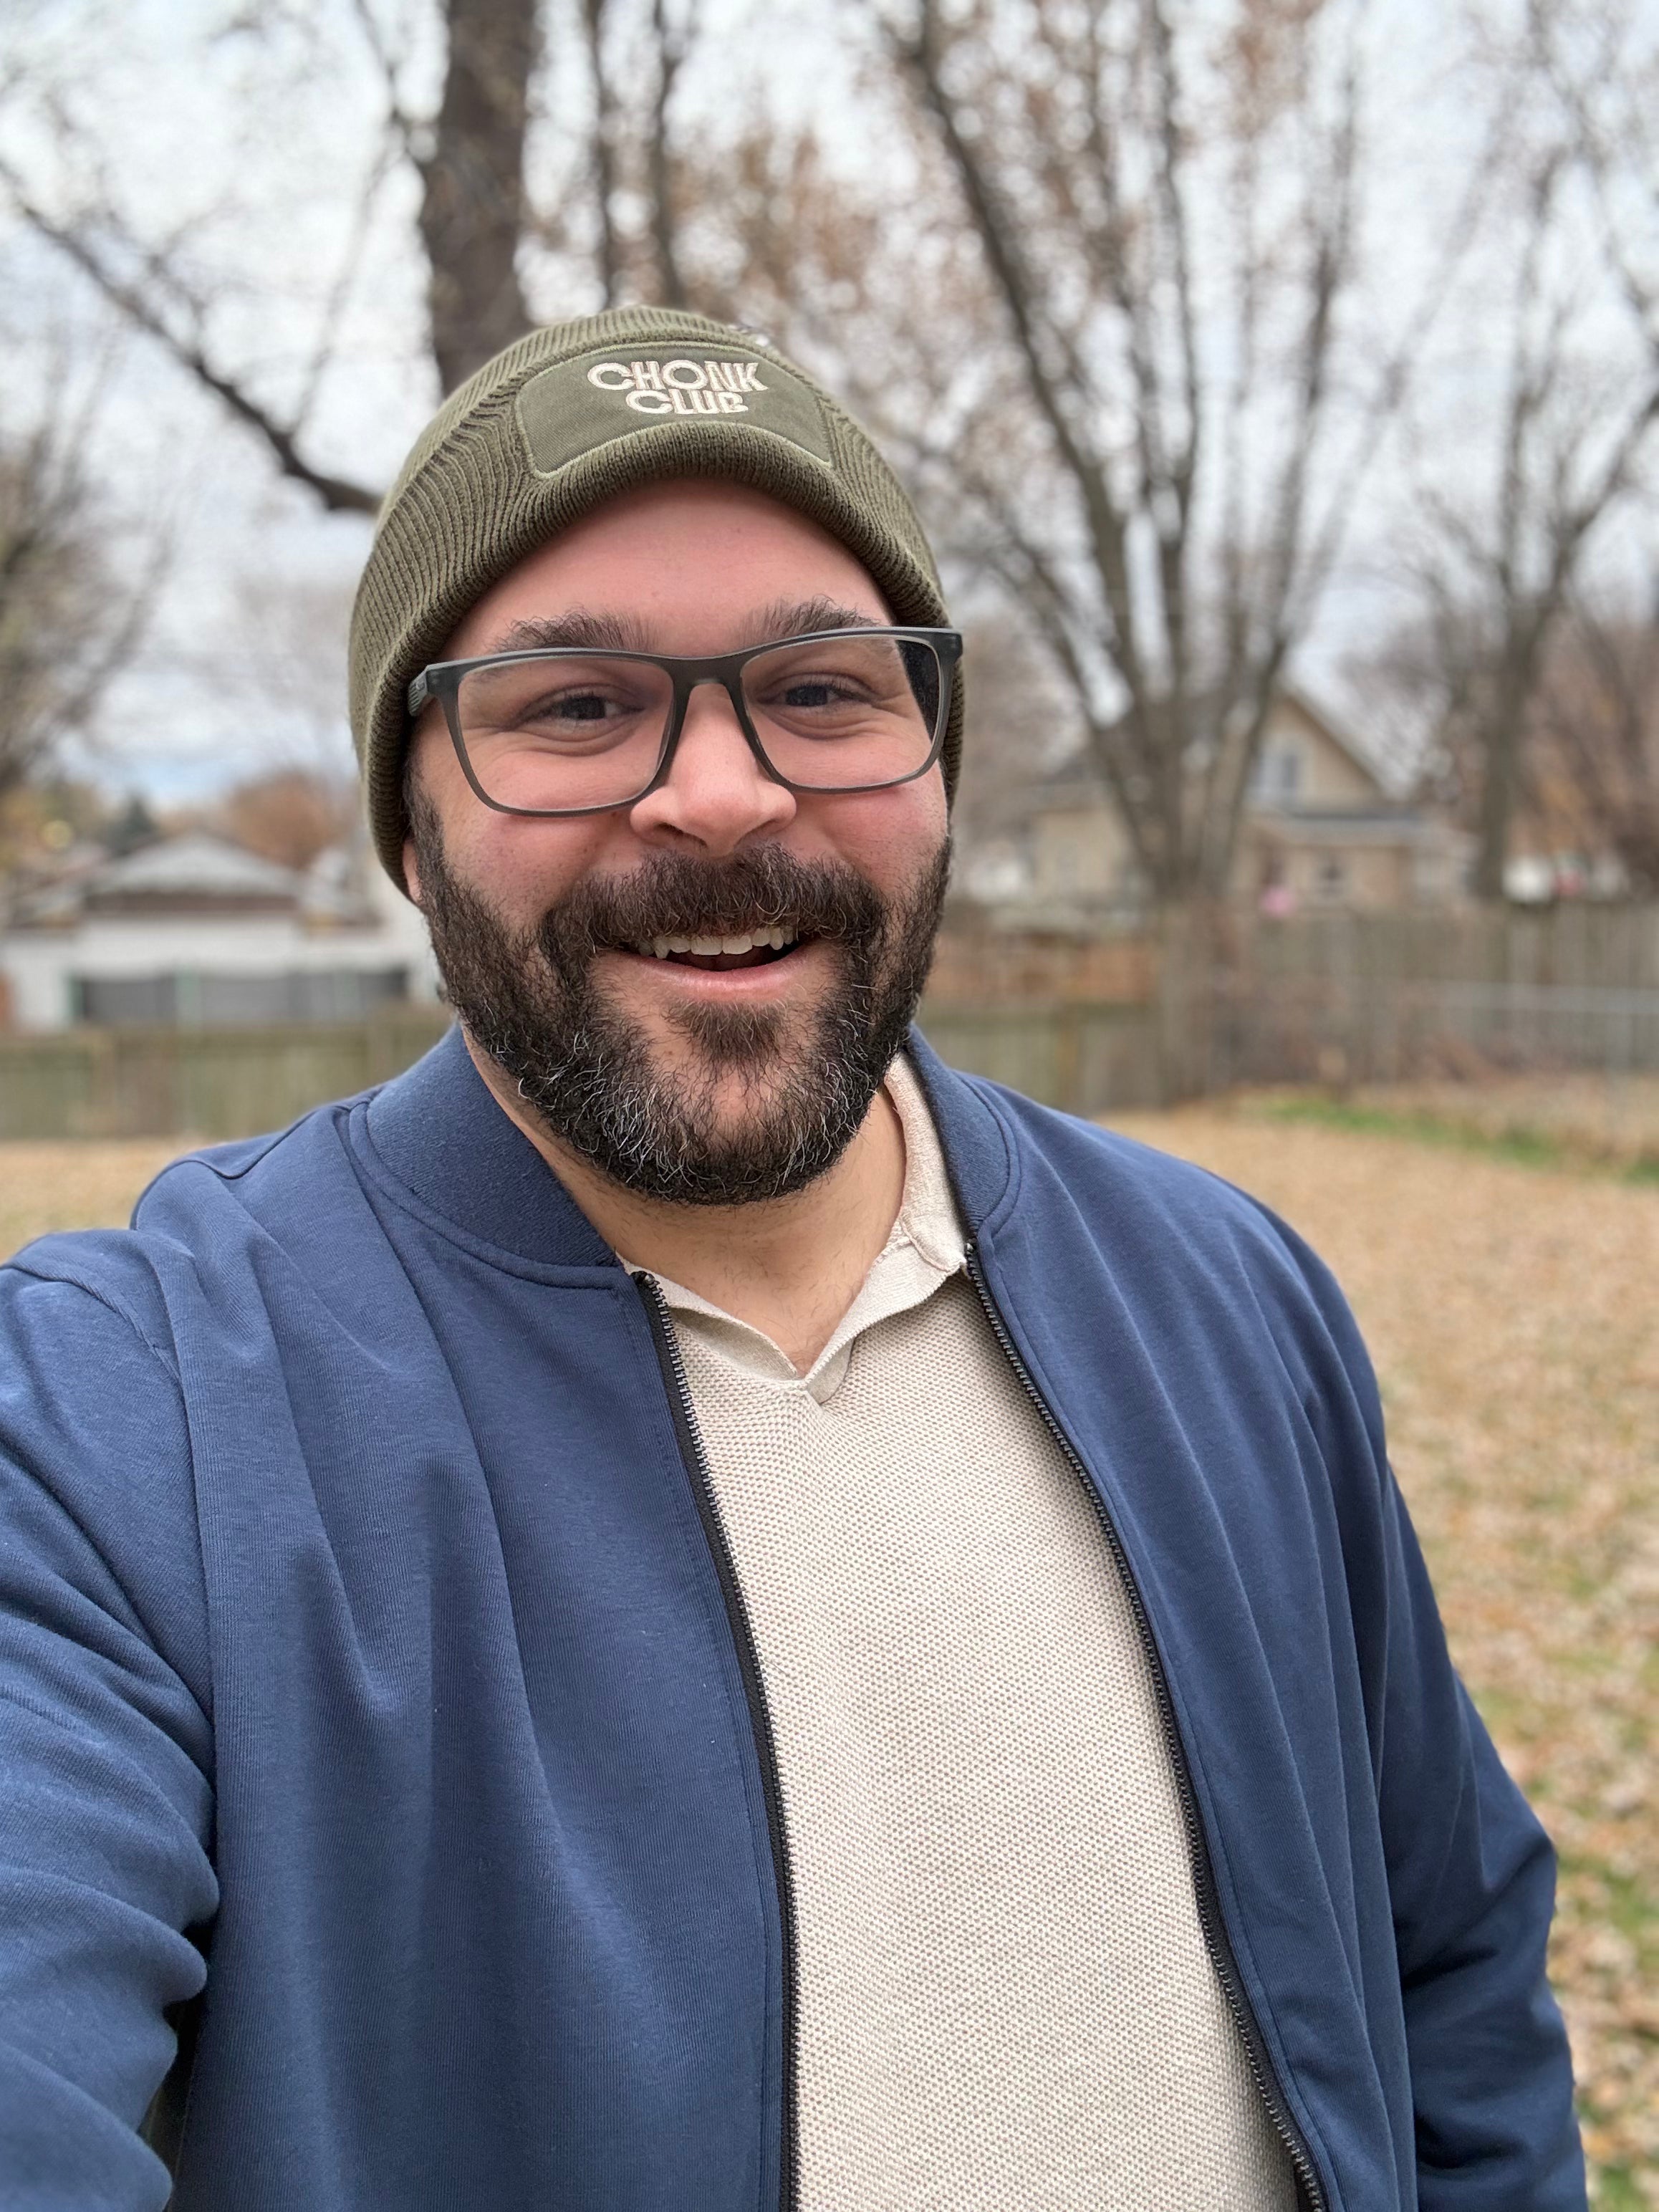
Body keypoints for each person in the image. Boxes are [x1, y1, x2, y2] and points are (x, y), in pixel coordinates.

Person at [0, 307, 1583, 2212]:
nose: (725, 791)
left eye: (823, 689)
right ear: (410, 829)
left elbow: (1452, 1983)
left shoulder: (1228, 1301)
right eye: (574, 707)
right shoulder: (121, 1424)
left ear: (937, 766)